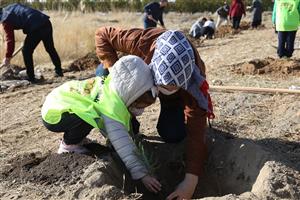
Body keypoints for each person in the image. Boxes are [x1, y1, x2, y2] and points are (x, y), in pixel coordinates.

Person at [95, 27, 215, 199]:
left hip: (174, 98)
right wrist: (116, 73)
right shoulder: (141, 42)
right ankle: (125, 123)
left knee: (173, 134)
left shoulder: (194, 80)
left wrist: (191, 180)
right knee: (103, 74)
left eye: (172, 87)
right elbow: (102, 34)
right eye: (162, 86)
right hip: (137, 79)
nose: (165, 90)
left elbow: (196, 131)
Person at [41, 55, 161, 191]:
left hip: (62, 98)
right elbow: (122, 143)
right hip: (55, 112)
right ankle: (68, 145)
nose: (141, 110)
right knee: (88, 115)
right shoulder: (111, 107)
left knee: (89, 112)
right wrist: (141, 173)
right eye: (139, 105)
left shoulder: (114, 87)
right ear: (131, 96)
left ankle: (76, 138)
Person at [0, 3, 63, 82]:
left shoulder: (5, 19)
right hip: (46, 22)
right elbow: (25, 15)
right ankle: (59, 71)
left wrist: (7, 57)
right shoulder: (10, 7)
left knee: (26, 51)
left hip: (36, 28)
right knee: (50, 48)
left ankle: (31, 78)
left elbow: (10, 40)